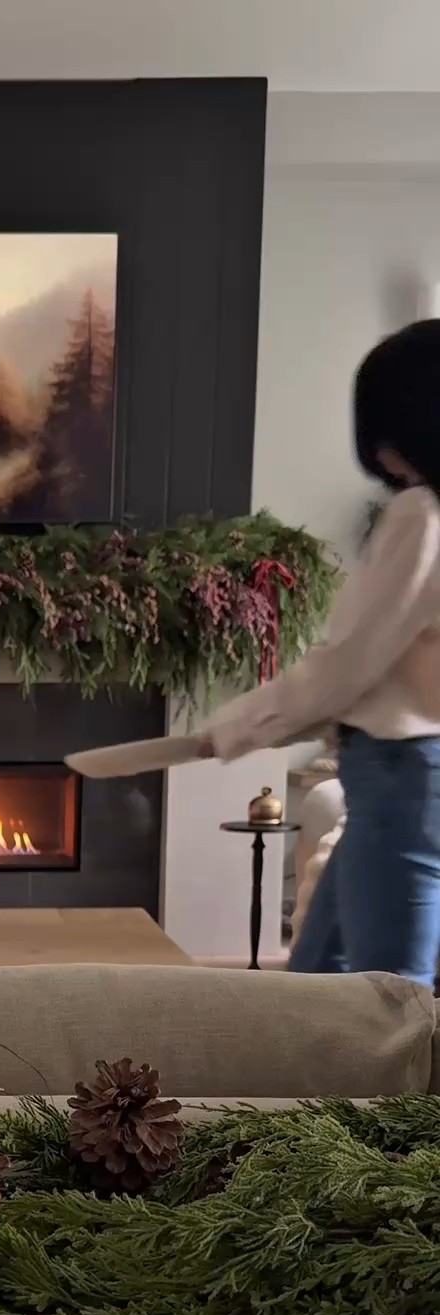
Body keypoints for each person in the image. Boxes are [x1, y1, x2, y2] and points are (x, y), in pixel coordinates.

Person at [201, 319, 440, 984]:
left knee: (383, 1011)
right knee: (314, 982)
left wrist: (235, 726)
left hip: (404, 779)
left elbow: (348, 662)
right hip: (400, 782)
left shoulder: (422, 515)